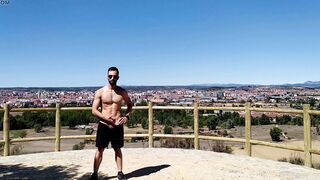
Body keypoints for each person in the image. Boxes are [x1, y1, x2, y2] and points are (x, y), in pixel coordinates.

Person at [90, 67, 133, 180]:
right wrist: (106, 119)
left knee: (117, 149)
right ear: (107, 76)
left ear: (118, 77)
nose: (112, 78)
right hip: (104, 124)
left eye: (114, 76)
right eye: (110, 76)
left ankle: (120, 172)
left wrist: (127, 116)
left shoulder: (122, 92)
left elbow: (130, 105)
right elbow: (94, 110)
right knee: (100, 149)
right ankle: (95, 174)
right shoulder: (100, 92)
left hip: (117, 125)